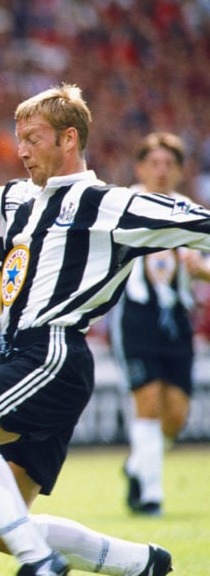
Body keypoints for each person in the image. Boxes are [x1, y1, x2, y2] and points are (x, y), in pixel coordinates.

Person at [0, 83, 194, 576]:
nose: (23, 151)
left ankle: (38, 562)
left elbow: (194, 223)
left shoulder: (112, 204)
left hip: (54, 351)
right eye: (20, 140)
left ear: (69, 138)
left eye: (33, 139)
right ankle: (141, 562)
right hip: (24, 358)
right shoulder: (16, 199)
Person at [110, 131, 210, 516]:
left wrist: (201, 271)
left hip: (178, 321)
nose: (161, 171)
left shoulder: (188, 210)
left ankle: (138, 464)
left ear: (181, 171)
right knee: (147, 401)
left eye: (169, 164)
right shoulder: (122, 204)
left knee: (176, 415)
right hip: (135, 318)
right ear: (140, 168)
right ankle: (150, 494)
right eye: (154, 163)